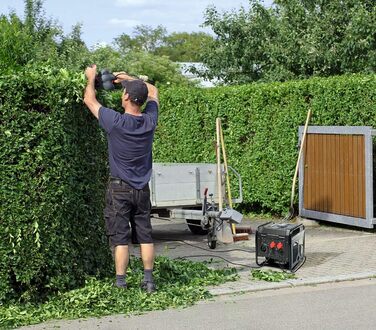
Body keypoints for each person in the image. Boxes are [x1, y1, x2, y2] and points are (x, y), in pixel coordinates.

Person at [83, 64, 159, 293]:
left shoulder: (115, 121)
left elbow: (89, 99)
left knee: (120, 238)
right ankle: (148, 282)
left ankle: (121, 283)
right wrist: (130, 80)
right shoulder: (149, 121)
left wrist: (90, 78)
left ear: (125, 97)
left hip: (119, 189)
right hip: (142, 188)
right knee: (145, 235)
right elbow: (153, 91)